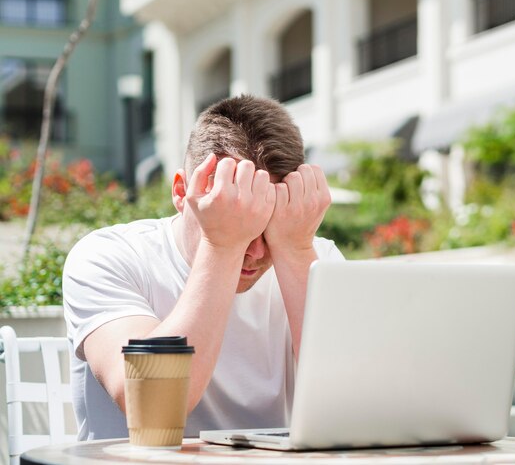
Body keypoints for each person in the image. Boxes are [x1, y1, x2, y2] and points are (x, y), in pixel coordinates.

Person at [63, 95, 344, 440]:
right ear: (182, 192)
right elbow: (153, 411)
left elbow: (357, 405)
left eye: (267, 223)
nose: (254, 250)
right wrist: (222, 245)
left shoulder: (314, 257)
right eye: (235, 215)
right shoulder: (108, 256)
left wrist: (297, 251)